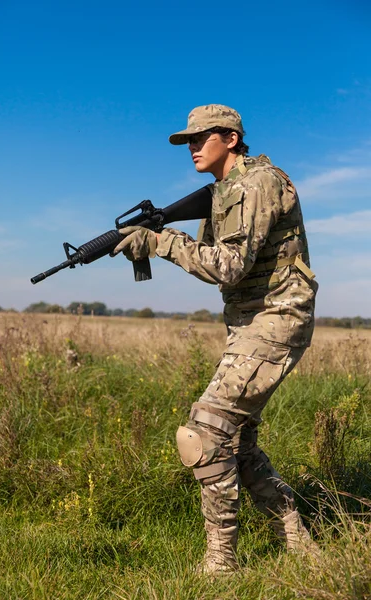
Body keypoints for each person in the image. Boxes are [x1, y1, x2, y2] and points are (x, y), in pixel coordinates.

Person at [113, 104, 319, 574]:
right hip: (249, 322)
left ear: (230, 138)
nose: (190, 147)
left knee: (203, 431)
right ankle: (297, 542)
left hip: (277, 317)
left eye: (199, 138)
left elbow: (227, 266)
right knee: (236, 439)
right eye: (186, 141)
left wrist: (159, 242)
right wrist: (158, 236)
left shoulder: (256, 183)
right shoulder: (224, 192)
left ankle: (221, 560)